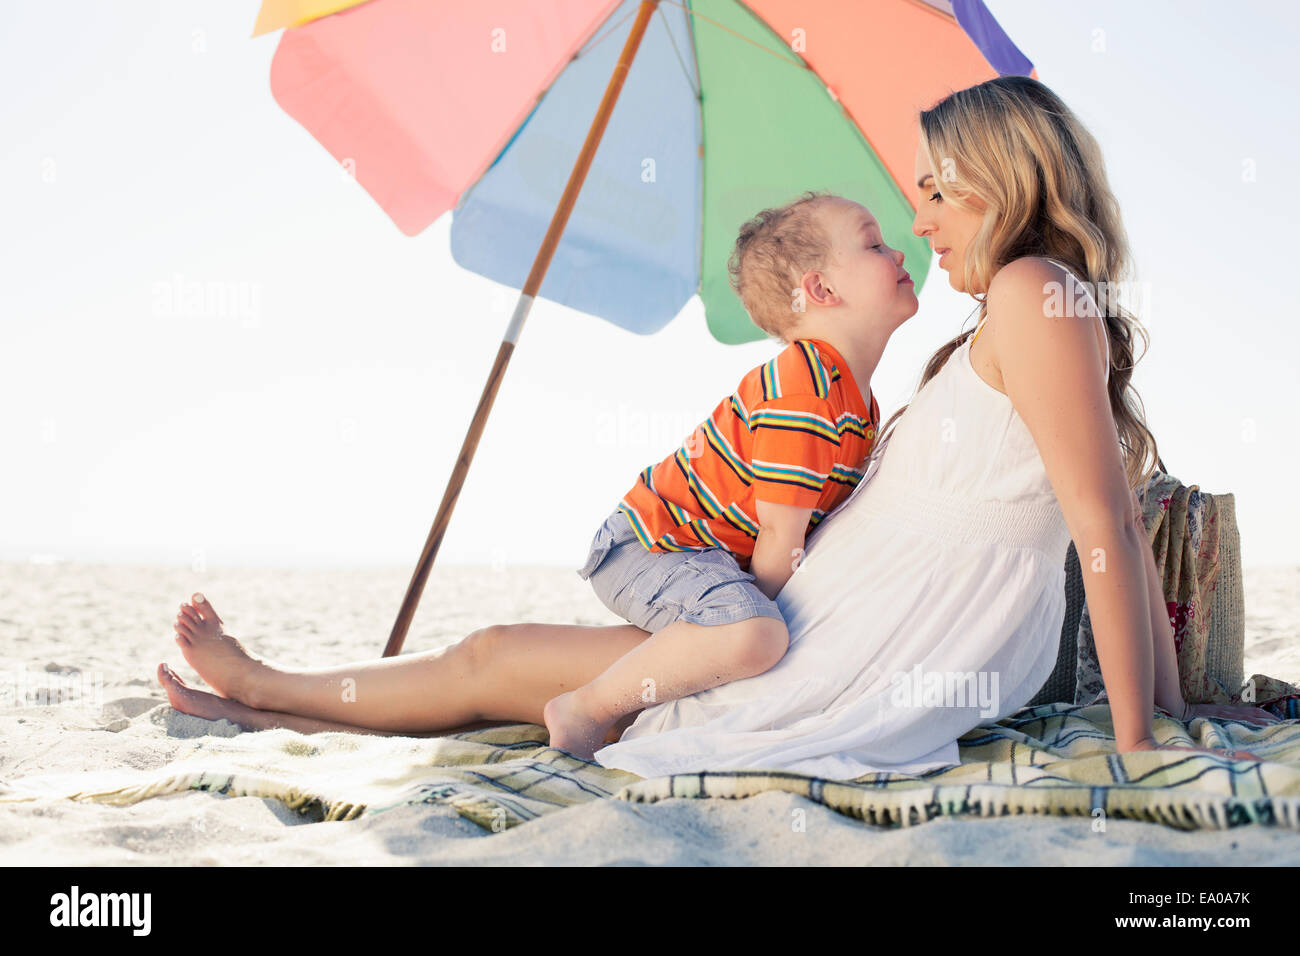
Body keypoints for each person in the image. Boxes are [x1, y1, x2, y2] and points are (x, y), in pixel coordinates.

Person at [157, 76, 1278, 771]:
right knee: (498, 659)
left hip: (843, 643)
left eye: (937, 188)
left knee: (501, 661)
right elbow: (1106, 524)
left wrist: (1142, 733)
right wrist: (1168, 709)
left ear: (1001, 177)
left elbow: (1103, 525)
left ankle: (273, 693)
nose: (921, 214)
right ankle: (275, 691)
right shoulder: (1026, 304)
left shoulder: (1037, 290)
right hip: (824, 613)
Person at [547, 191, 913, 758]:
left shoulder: (857, 403)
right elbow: (780, 542)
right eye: (873, 243)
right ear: (822, 290)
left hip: (699, 556)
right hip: (650, 546)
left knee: (753, 632)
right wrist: (750, 632)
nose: (899, 252)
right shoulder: (805, 387)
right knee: (757, 635)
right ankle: (584, 706)